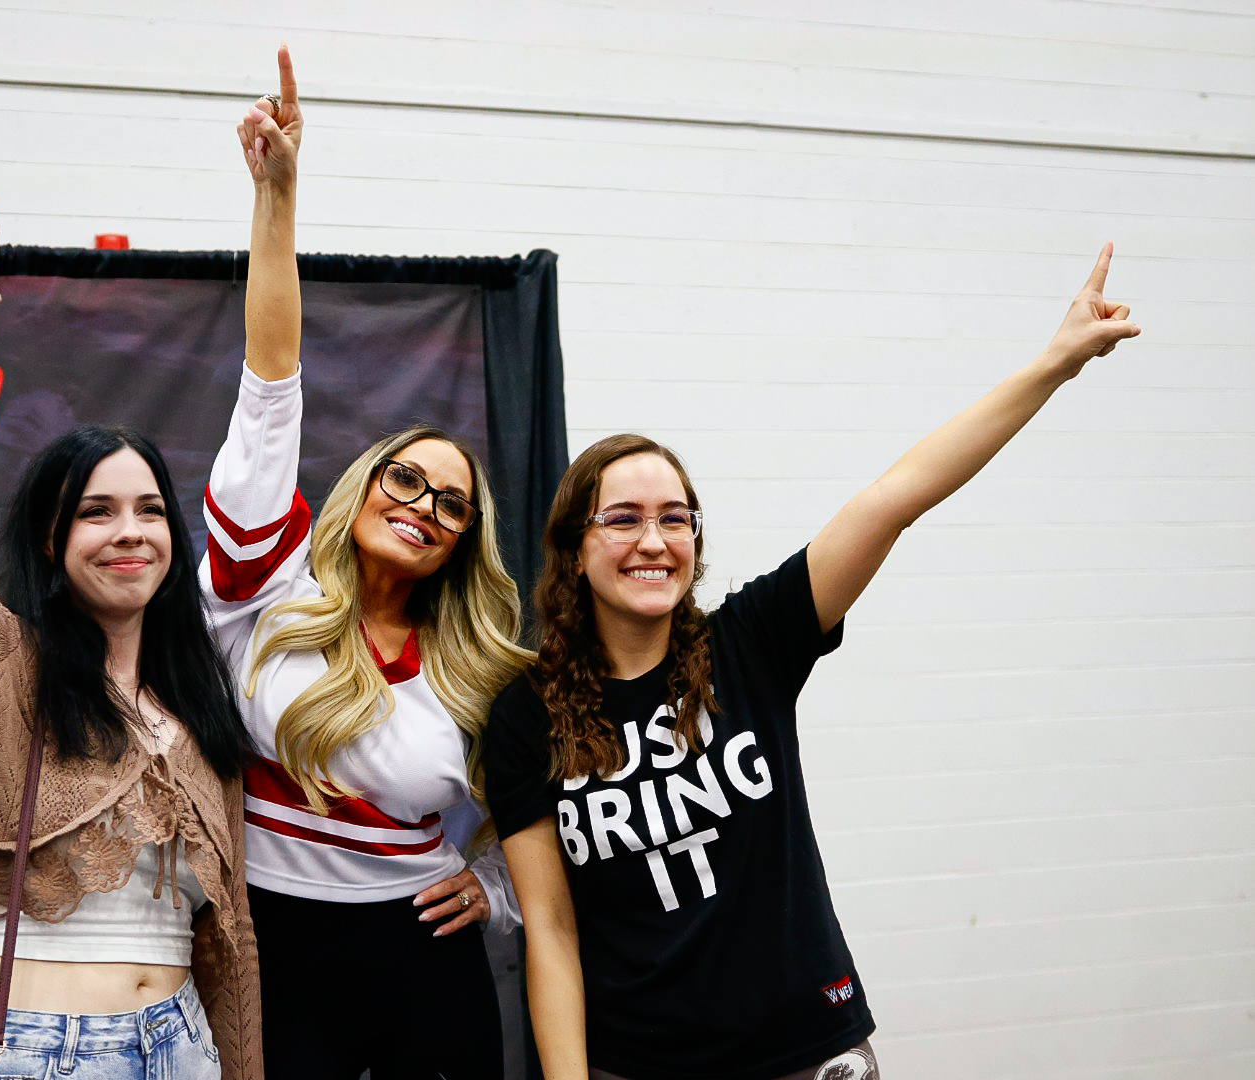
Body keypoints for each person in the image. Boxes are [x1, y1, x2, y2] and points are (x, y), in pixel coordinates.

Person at [485, 248, 1141, 1080]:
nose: (653, 540)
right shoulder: (527, 715)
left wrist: (1054, 364)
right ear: (576, 550)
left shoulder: (750, 642)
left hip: (806, 1047)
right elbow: (550, 929)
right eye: (623, 519)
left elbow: (895, 497)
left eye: (675, 518)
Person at [0, 122, 261, 1080]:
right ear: (53, 541)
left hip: (179, 1047)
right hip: (20, 1050)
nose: (130, 532)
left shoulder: (200, 703)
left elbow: (232, 942)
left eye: (150, 510)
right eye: (96, 511)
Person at [200, 48, 530, 1079]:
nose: (423, 506)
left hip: (422, 959)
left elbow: (563, 811)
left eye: (451, 503)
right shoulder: (267, 585)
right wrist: (278, 199)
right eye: (406, 479)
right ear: (363, 487)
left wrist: (499, 890)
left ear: (463, 541)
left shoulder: (477, 671)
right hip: (273, 950)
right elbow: (270, 385)